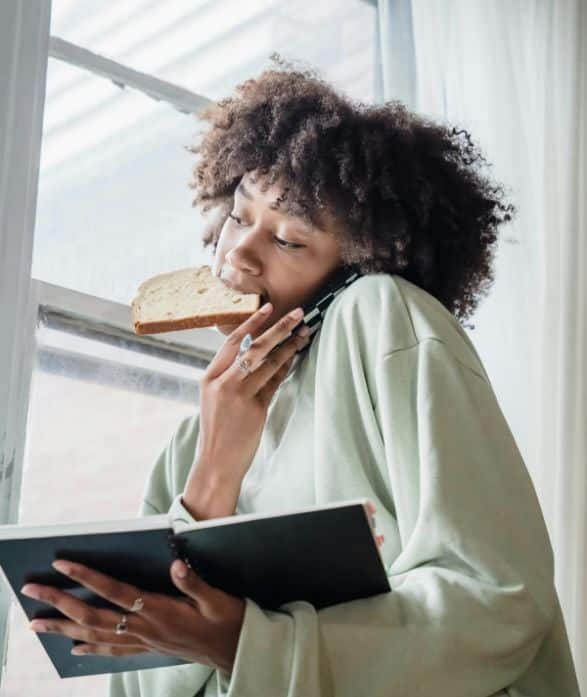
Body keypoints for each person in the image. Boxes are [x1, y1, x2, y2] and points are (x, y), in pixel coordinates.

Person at [24, 55, 580, 696]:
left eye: (288, 239)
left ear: (358, 263)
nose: (237, 251)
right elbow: (140, 686)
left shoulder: (380, 317)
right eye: (240, 213)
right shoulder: (189, 443)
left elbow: (496, 599)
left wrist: (245, 642)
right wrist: (214, 473)